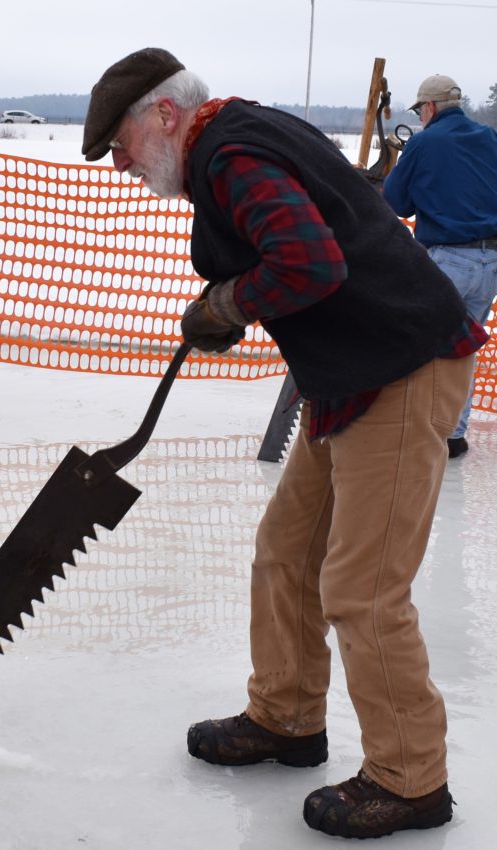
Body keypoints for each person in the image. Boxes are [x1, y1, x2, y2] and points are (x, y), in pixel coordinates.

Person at [82, 48, 488, 840]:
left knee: (363, 588)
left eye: (122, 143)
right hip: (351, 373)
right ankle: (288, 717)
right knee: (286, 554)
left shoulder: (231, 154)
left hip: (402, 365)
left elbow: (309, 260)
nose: (121, 163)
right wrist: (232, 297)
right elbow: (298, 249)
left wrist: (230, 303)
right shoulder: (235, 139)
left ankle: (411, 780)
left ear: (165, 115)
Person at [383, 74, 497, 458]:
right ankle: (452, 435)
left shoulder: (424, 142)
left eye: (420, 111)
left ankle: (423, 434)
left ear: (429, 107)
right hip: (491, 263)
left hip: (448, 259)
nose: (420, 118)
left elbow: (396, 202)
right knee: (464, 349)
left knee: (426, 346)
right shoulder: (489, 138)